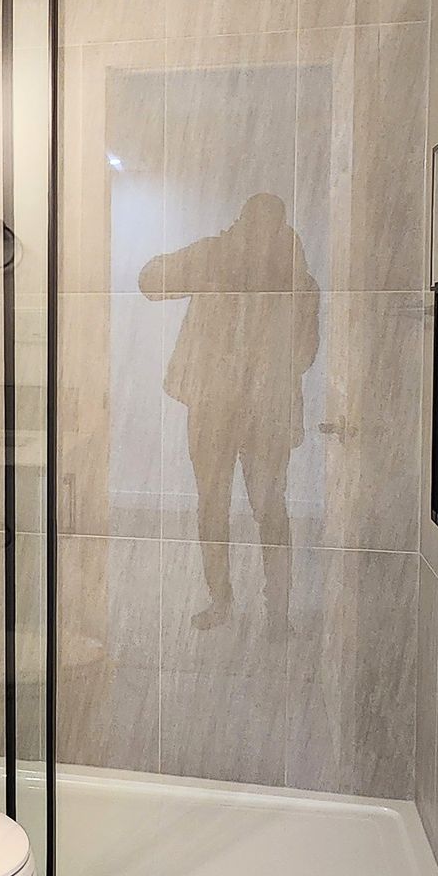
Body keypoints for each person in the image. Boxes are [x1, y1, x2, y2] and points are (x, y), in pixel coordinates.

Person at [139, 191, 319, 625]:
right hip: (227, 404)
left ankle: (265, 609)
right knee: (231, 506)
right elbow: (149, 282)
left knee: (257, 508)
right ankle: (246, 606)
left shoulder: (294, 276)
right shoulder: (220, 258)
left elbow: (305, 350)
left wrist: (253, 365)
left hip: (245, 405)